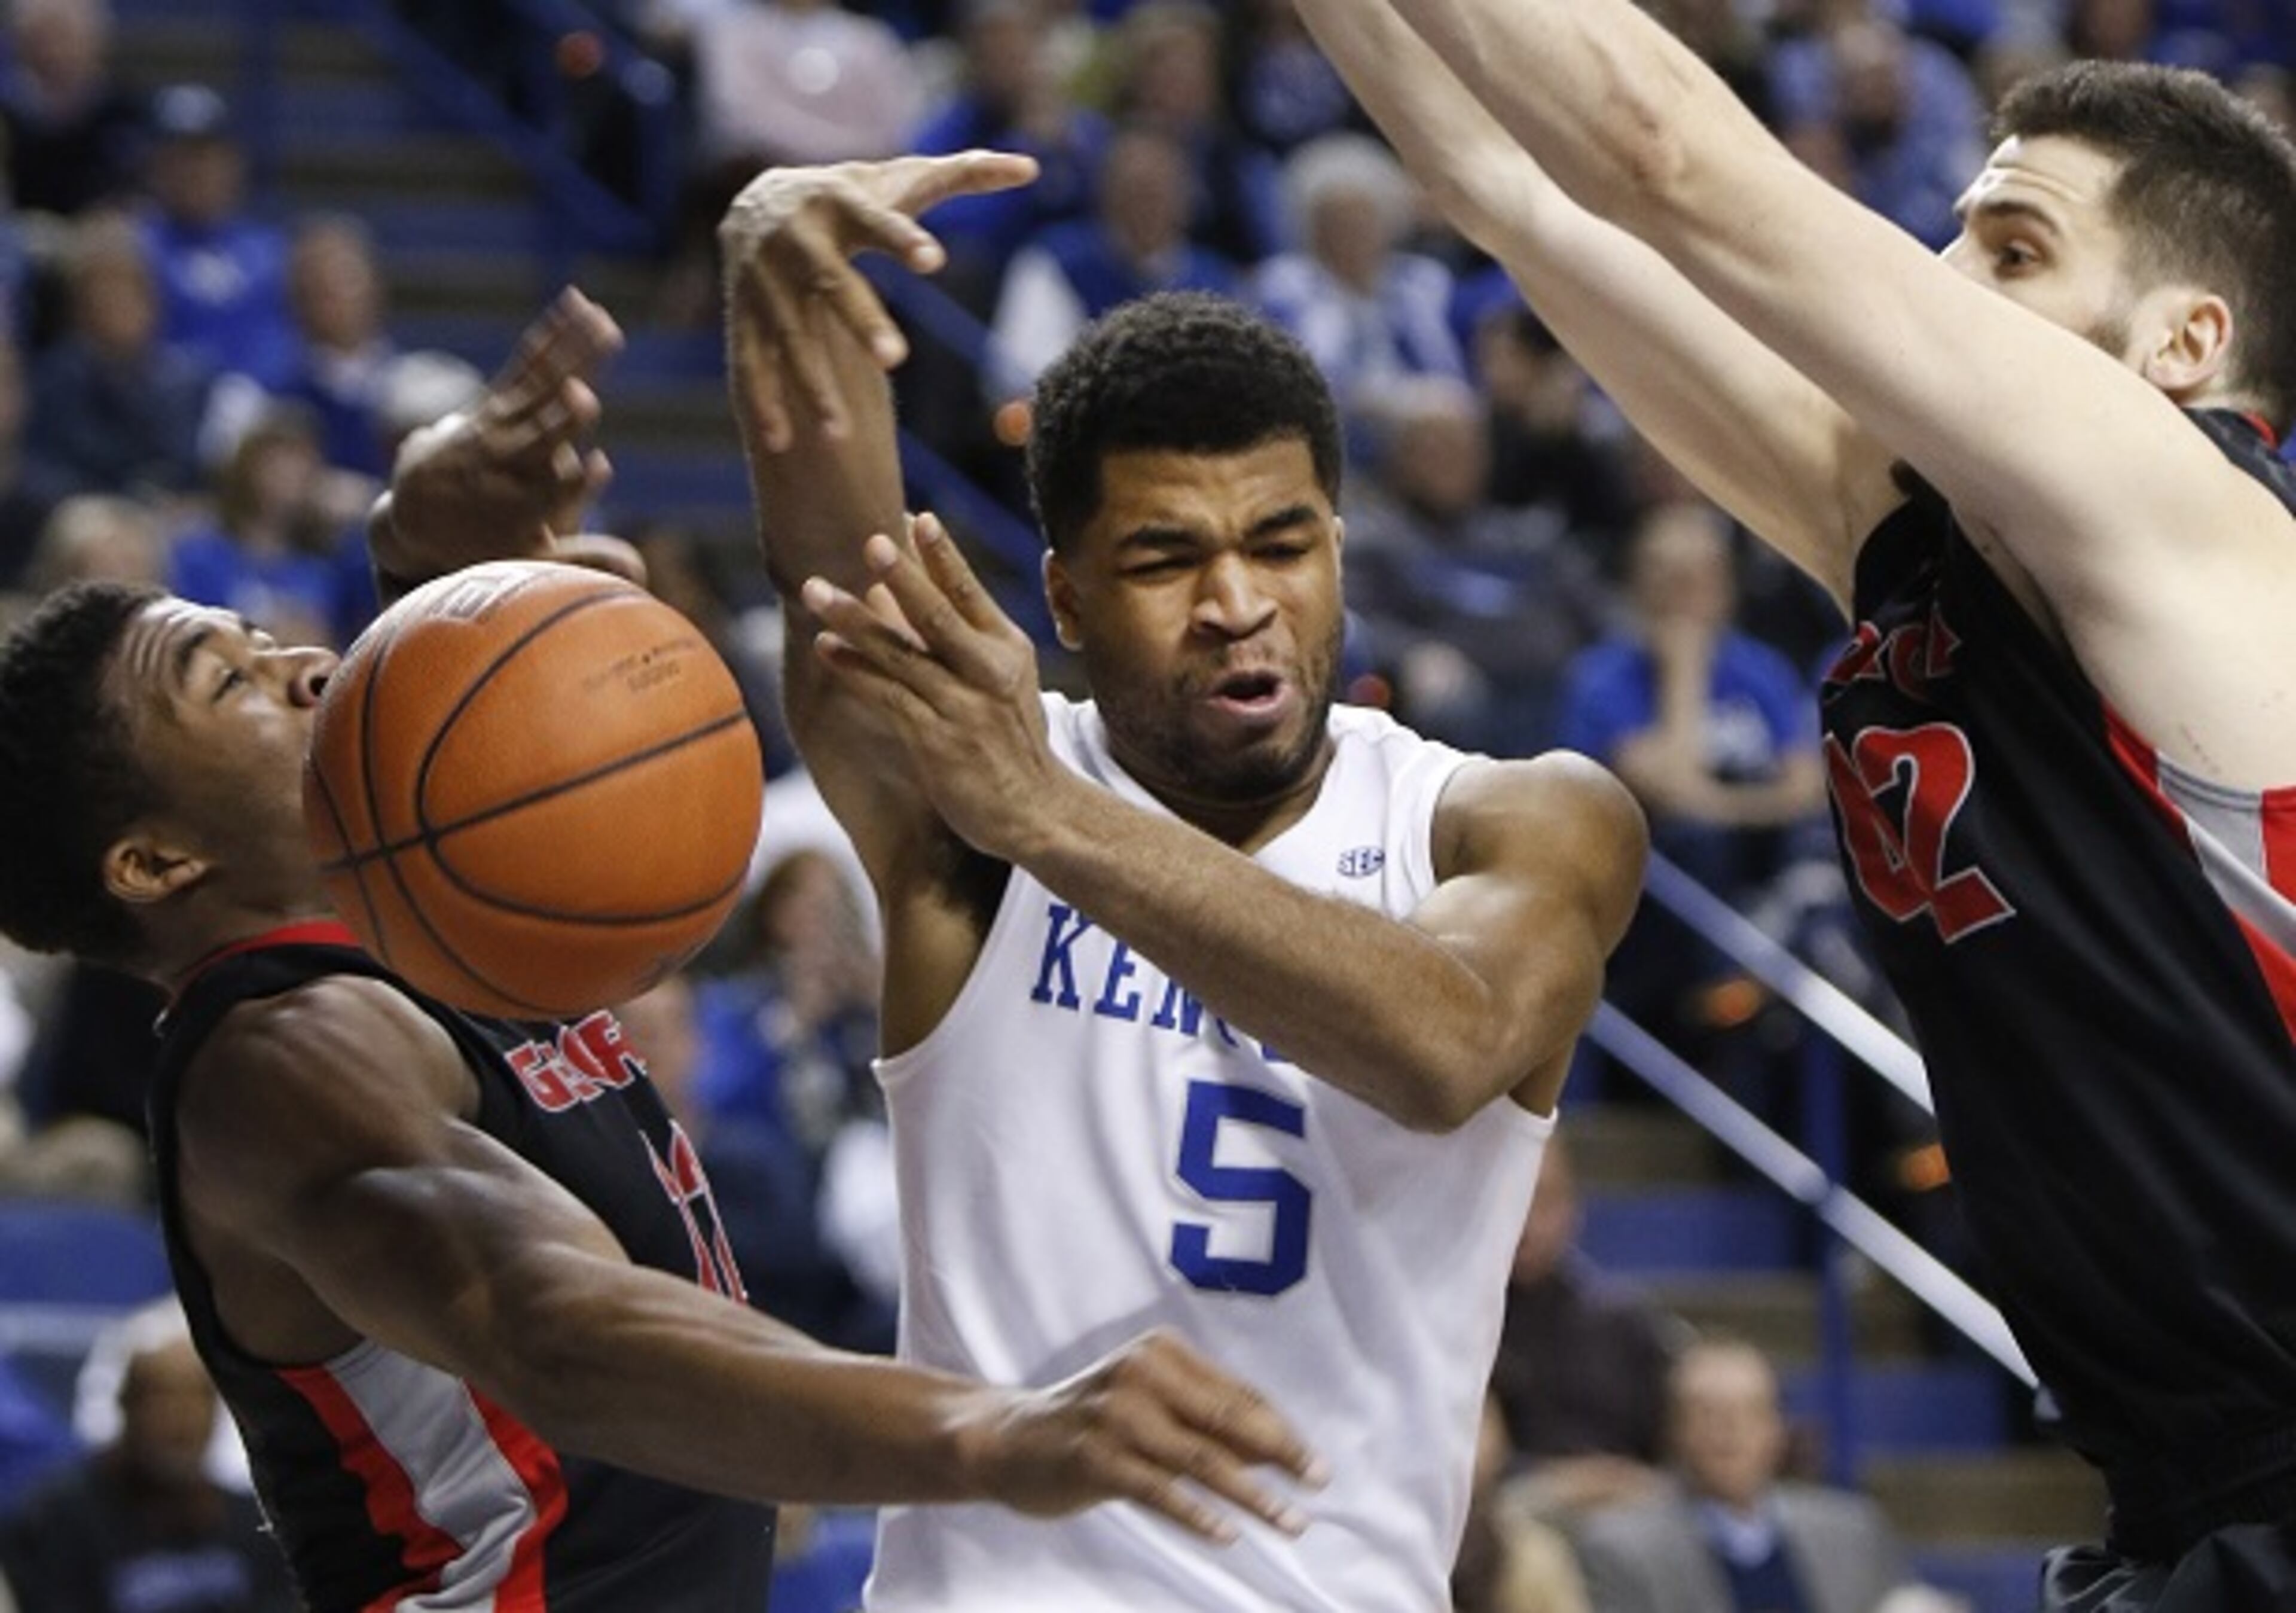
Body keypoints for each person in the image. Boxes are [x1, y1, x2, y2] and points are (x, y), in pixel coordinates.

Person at [0, 288, 1323, 1611]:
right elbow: (548, 1323)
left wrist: (426, 549)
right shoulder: (282, 1056)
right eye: (225, 682)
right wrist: (988, 1432)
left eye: (260, 637)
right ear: (155, 864)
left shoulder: (437, 914)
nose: (296, 663)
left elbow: (588, 643)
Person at [1290, 0, 2296, 1605]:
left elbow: (1662, 154)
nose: (1942, 287)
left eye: (2014, 252)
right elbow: (1514, 194)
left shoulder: (2206, 528)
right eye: (1953, 239)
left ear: (2185, 348)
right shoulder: (1914, 538)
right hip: (2179, 1495)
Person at [720, 150, 1645, 1611]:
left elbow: (1449, 1042)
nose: (1235, 605)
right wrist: (776, 255)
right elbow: (836, 574)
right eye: (1165, 559)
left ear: (1339, 549)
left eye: (1281, 544)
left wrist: (1048, 817)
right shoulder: (960, 806)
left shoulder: (1511, 822)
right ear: (1067, 599)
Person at [1568, 1336, 1943, 1613]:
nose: (1728, 1431)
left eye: (1748, 1411)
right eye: (1707, 1413)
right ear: (1674, 1431)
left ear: (1778, 1429)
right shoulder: (1621, 1549)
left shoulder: (1852, 1530)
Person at [0, 1301, 295, 1613]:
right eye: (161, 1399)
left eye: (196, 1401)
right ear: (126, 1406)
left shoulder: (257, 1523)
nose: (181, 1421)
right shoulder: (53, 1522)